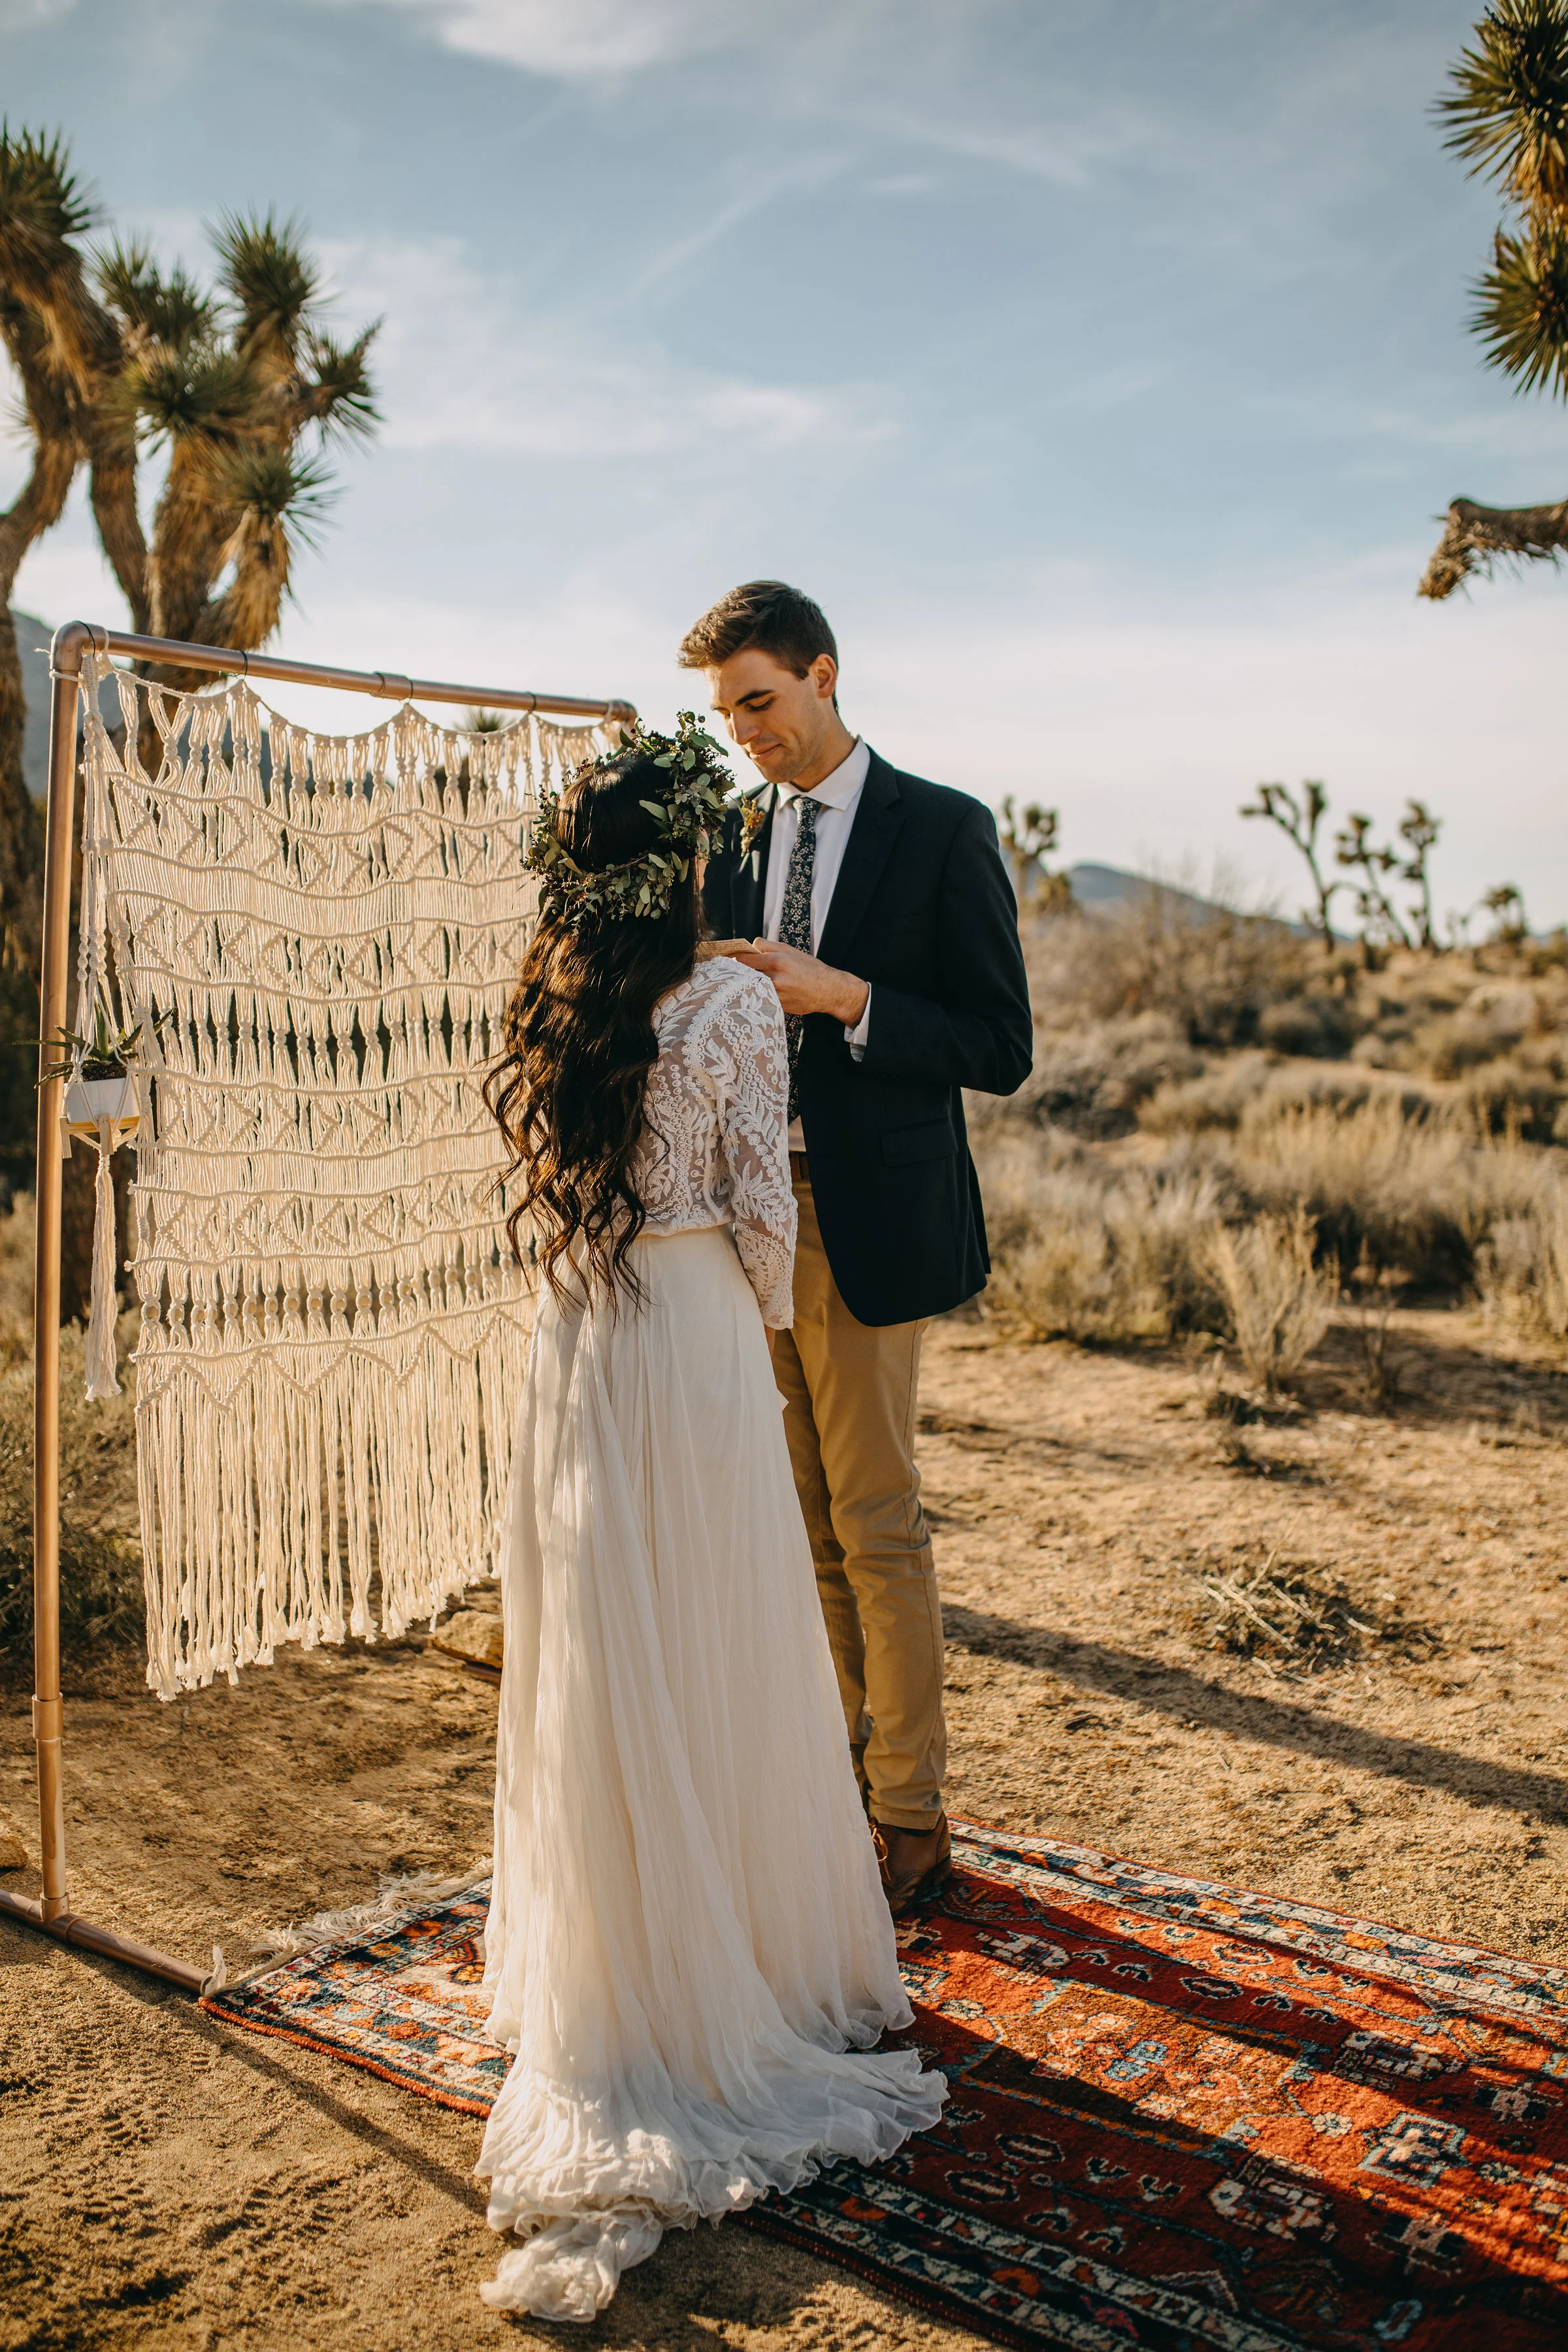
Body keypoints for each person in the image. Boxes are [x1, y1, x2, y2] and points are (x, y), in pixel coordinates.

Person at [475, 717, 944, 2322]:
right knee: (721, 1631)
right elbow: (763, 1204)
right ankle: (734, 1960)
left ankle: (613, 1972)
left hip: (575, 1336)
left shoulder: (550, 985)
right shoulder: (734, 996)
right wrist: (745, 1336)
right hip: (685, 1337)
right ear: (685, 857)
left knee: (609, 1650)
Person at [684, 581, 1034, 1916]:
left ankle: (910, 1818)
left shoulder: (942, 829)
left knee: (878, 1523)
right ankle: (838, 1781)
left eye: (760, 703)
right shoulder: (727, 833)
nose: (746, 735)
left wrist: (847, 999)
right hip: (742, 1224)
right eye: (726, 714)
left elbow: (1000, 1048)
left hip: (865, 1224)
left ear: (825, 674)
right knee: (801, 1524)